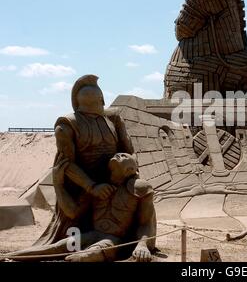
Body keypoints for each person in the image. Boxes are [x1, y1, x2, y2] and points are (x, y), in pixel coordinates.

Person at [36, 75, 135, 246]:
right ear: (102, 99)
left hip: (113, 179)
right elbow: (66, 164)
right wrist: (91, 186)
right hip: (83, 185)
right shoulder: (66, 125)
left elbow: (128, 151)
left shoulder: (113, 118)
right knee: (75, 221)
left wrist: (127, 174)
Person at [5, 153, 156, 262]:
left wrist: (142, 245)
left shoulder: (138, 189)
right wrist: (58, 184)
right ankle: (12, 255)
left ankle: (81, 258)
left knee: (96, 251)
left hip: (114, 239)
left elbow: (146, 222)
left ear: (131, 170)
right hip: (93, 234)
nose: (118, 155)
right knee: (57, 247)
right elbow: (72, 212)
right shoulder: (97, 187)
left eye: (124, 156)